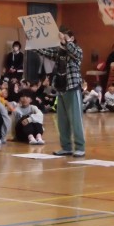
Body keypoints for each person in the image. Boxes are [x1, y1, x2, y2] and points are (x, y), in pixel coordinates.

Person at [36, 26, 85, 157]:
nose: (61, 39)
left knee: (76, 119)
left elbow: (75, 52)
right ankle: (66, 147)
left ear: (72, 38)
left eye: (65, 36)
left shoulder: (77, 50)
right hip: (61, 89)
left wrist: (66, 41)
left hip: (72, 87)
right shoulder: (59, 52)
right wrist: (33, 42)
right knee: (62, 121)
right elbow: (44, 51)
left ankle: (80, 147)